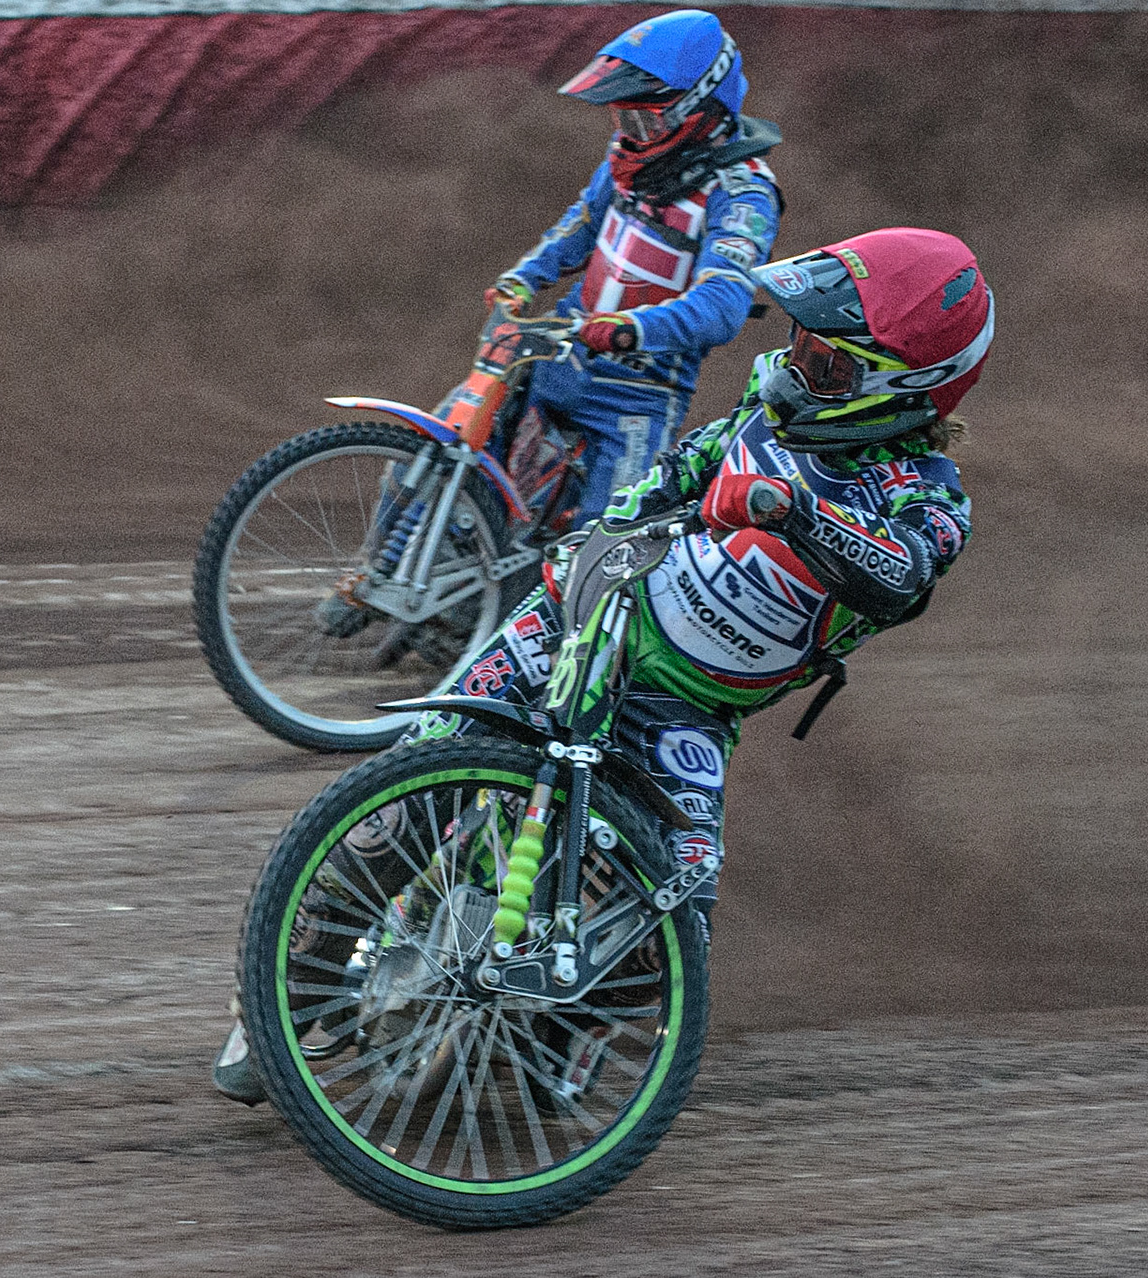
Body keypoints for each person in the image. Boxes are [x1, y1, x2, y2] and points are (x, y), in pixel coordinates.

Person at [215, 226, 992, 1105]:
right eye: (800, 342)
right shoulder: (764, 414)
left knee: (679, 919)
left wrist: (788, 513)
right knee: (410, 790)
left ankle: (551, 1042)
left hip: (687, 714)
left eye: (827, 362)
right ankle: (285, 986)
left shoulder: (926, 500)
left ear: (903, 389)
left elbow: (901, 575)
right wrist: (593, 544)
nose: (794, 366)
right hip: (585, 620)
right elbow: (668, 477)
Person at [489, 8, 784, 526]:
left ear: (699, 110)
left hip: (640, 393)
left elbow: (724, 307)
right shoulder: (627, 157)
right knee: (461, 442)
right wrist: (524, 277)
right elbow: (581, 222)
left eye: (643, 118)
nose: (631, 133)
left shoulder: (744, 194)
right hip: (564, 346)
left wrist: (630, 330)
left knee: (607, 543)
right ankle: (379, 580)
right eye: (622, 117)